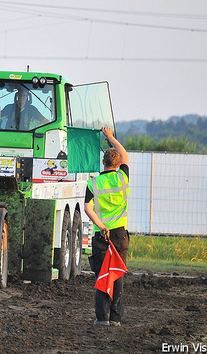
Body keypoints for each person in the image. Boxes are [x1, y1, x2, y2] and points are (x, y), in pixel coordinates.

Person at [84, 126, 130, 327]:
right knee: (117, 274)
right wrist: (110, 136)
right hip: (120, 236)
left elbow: (87, 208)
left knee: (103, 276)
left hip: (101, 235)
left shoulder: (93, 183)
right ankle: (116, 319)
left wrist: (101, 225)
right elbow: (125, 154)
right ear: (118, 163)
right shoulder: (123, 177)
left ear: (103, 162)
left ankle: (102, 319)